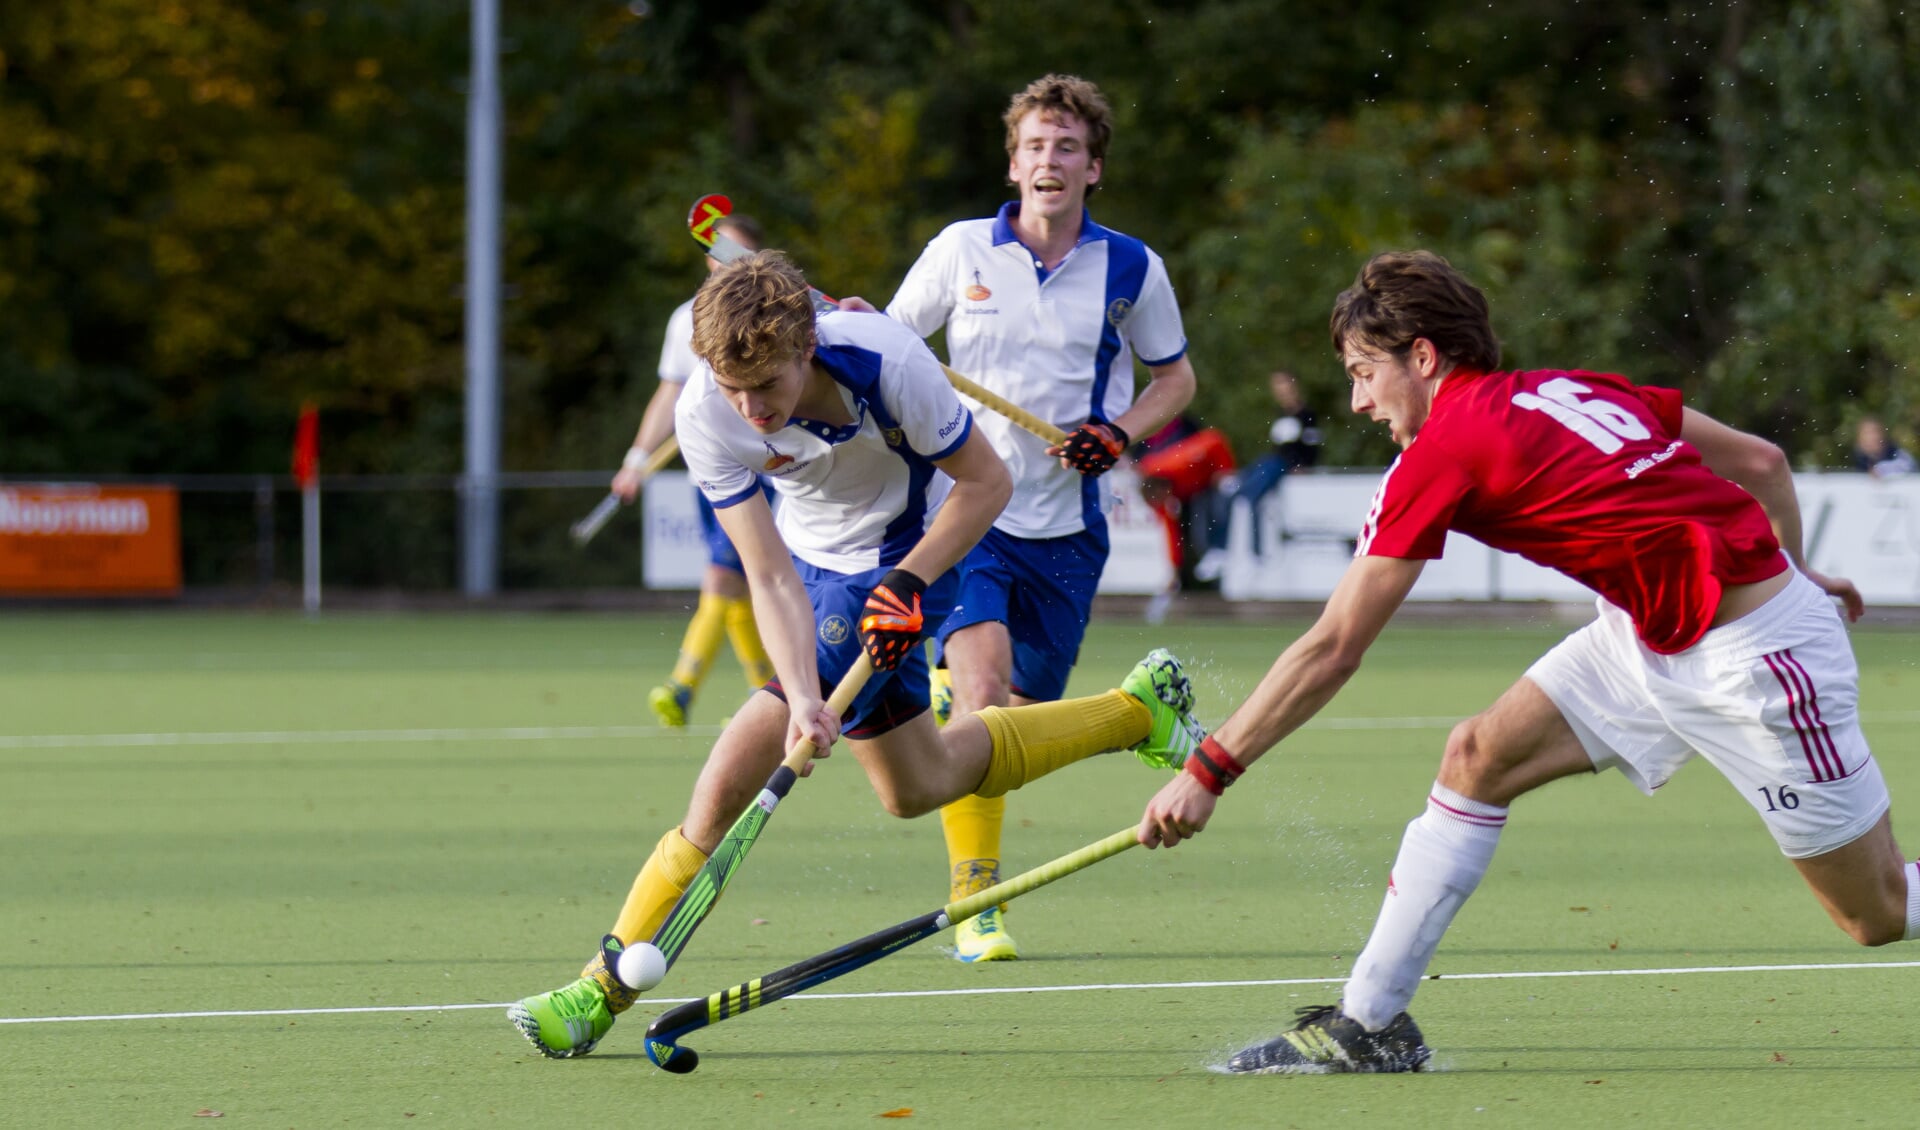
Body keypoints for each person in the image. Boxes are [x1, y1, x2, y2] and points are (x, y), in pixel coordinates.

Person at [1137, 250, 1907, 1074]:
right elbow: (1762, 463)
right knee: (1478, 754)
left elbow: (1333, 647)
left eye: (1365, 373)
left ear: (1423, 358)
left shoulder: (1441, 451)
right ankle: (1368, 1024)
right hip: (1651, 634)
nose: (1358, 400)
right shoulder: (1569, 387)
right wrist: (1796, 568)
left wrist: (1209, 770)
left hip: (1761, 664)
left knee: (1876, 914)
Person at [509, 251, 1208, 1059]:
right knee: (919, 786)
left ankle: (601, 988)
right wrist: (805, 695)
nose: (750, 407)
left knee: (725, 780)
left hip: (910, 549)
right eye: (734, 389)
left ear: (805, 350)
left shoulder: (890, 363)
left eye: (766, 386)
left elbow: (985, 484)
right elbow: (765, 574)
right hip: (810, 562)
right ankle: (1137, 711)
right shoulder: (708, 409)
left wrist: (910, 581)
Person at [842, 74, 1197, 962]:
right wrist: (855, 324)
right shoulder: (961, 251)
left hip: (1069, 530)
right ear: (1014, 162)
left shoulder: (1131, 267)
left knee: (1011, 729)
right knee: (984, 691)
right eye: (1036, 145)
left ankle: (1126, 712)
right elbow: (889, 344)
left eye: (1067, 147)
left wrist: (1117, 432)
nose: (1050, 160)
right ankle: (977, 905)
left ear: (1093, 168)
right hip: (968, 515)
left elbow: (1176, 382)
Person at [613, 213, 775, 728]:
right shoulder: (687, 319)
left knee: (728, 579)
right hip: (710, 473)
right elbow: (669, 392)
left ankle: (685, 686)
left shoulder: (778, 311)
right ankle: (764, 690)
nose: (727, 260)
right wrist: (637, 459)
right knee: (737, 584)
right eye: (719, 251)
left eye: (739, 252)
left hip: (770, 470)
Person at [1193, 370, 1323, 581]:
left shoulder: (1306, 414)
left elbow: (1312, 446)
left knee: (1250, 498)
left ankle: (1256, 554)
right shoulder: (1281, 413)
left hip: (1284, 466)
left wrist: (1302, 466)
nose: (1280, 391)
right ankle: (1219, 549)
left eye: (1284, 385)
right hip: (1271, 461)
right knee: (1229, 493)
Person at [1852, 416, 1916, 478]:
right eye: (1867, 433)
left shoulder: (1897, 453)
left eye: (1876, 432)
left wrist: (1881, 470)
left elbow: (1909, 467)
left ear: (1883, 435)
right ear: (1859, 439)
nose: (1873, 437)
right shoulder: (1852, 460)